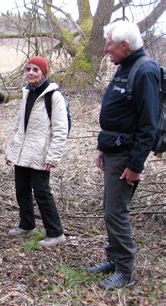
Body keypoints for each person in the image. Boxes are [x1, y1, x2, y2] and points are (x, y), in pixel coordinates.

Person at [88, 21, 159, 289]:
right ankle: (114, 259)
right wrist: (103, 147)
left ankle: (125, 271)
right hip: (113, 150)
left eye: (109, 44)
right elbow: (117, 115)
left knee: (116, 213)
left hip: (127, 156)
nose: (105, 49)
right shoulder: (124, 68)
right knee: (110, 210)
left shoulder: (145, 71)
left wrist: (135, 165)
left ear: (124, 45)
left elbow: (148, 125)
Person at [5, 56, 68, 247]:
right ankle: (27, 224)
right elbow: (19, 125)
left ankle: (56, 233)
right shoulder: (26, 93)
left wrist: (53, 156)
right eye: (28, 69)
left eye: (36, 70)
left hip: (41, 154)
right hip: (22, 152)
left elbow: (60, 129)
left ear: (44, 73)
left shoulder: (53, 96)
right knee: (21, 190)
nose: (31, 73)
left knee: (42, 192)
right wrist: (11, 150)